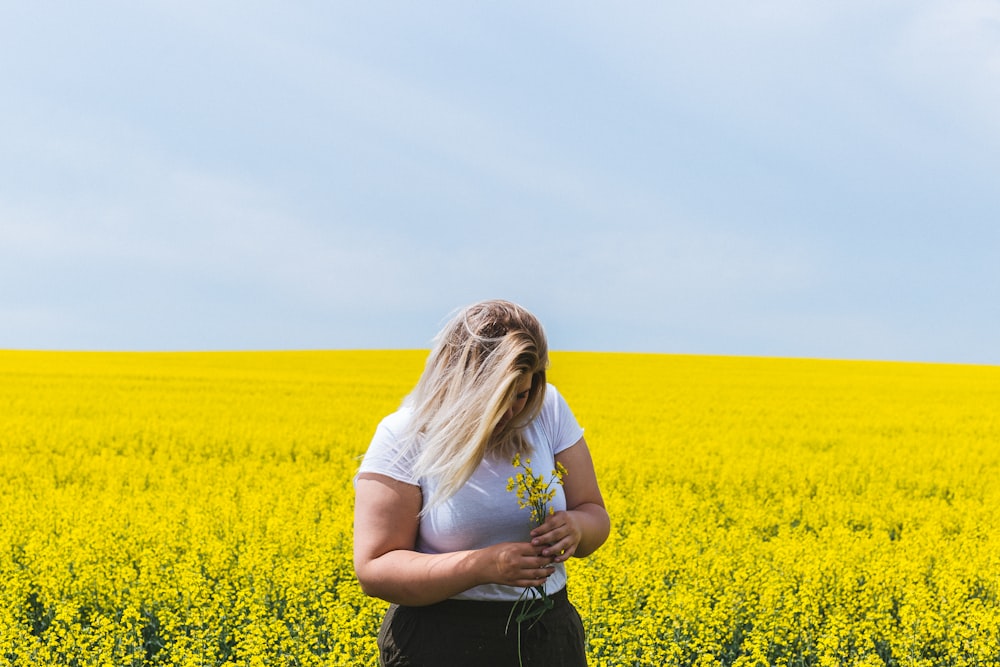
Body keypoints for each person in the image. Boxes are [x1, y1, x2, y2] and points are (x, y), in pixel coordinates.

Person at [354, 299, 610, 666]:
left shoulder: (548, 409)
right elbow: (375, 569)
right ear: (462, 383)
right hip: (438, 642)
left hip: (547, 633)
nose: (512, 411)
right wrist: (482, 567)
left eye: (521, 394)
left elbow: (594, 512)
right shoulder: (405, 434)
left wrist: (577, 528)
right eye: (498, 398)